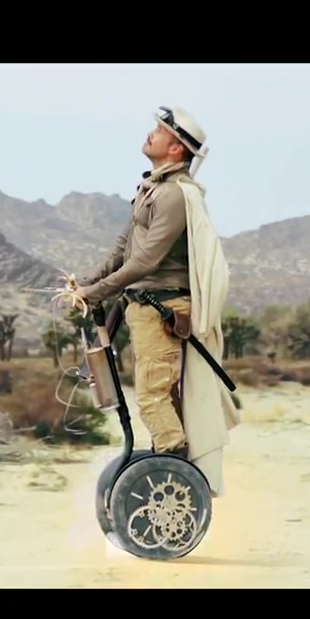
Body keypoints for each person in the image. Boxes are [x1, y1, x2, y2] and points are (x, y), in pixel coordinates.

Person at [75, 106, 237, 478]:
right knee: (159, 395)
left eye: (160, 130)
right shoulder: (152, 190)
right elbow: (123, 248)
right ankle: (169, 463)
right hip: (144, 307)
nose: (151, 134)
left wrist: (97, 292)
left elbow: (145, 260)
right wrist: (86, 286)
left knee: (152, 396)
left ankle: (171, 470)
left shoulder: (174, 197)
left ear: (176, 148)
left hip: (161, 306)